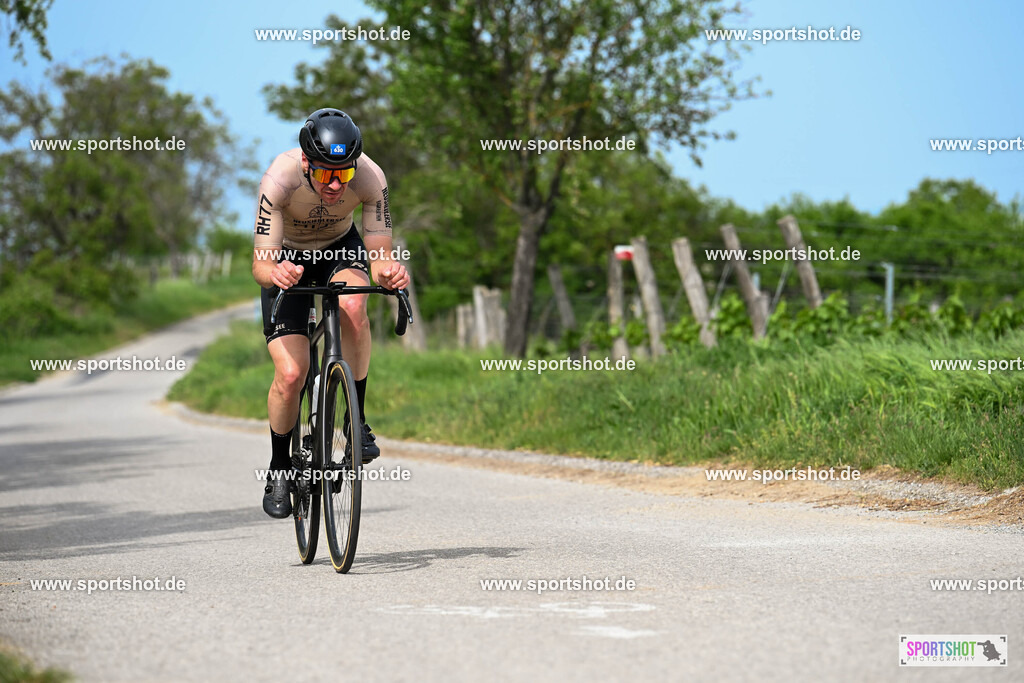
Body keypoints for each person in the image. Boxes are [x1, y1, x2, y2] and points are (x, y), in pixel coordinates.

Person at [251, 108, 409, 519]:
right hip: (288, 259)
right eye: (324, 175)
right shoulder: (279, 179)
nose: (337, 184)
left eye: (345, 173)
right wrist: (276, 270)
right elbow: (260, 266)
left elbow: (379, 257)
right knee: (290, 375)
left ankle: (356, 422)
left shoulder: (371, 178)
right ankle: (280, 466)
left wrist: (388, 272)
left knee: (355, 303)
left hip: (340, 248)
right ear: (306, 162)